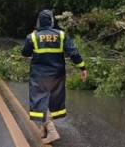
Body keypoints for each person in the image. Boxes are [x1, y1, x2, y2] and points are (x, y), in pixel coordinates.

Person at [21, 9, 87, 144]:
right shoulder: (61, 35)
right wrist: (82, 67)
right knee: (51, 100)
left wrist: (33, 36)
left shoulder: (33, 37)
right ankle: (44, 129)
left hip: (40, 75)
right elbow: (73, 53)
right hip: (57, 75)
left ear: (39, 22)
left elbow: (25, 53)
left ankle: (51, 130)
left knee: (40, 100)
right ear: (52, 21)